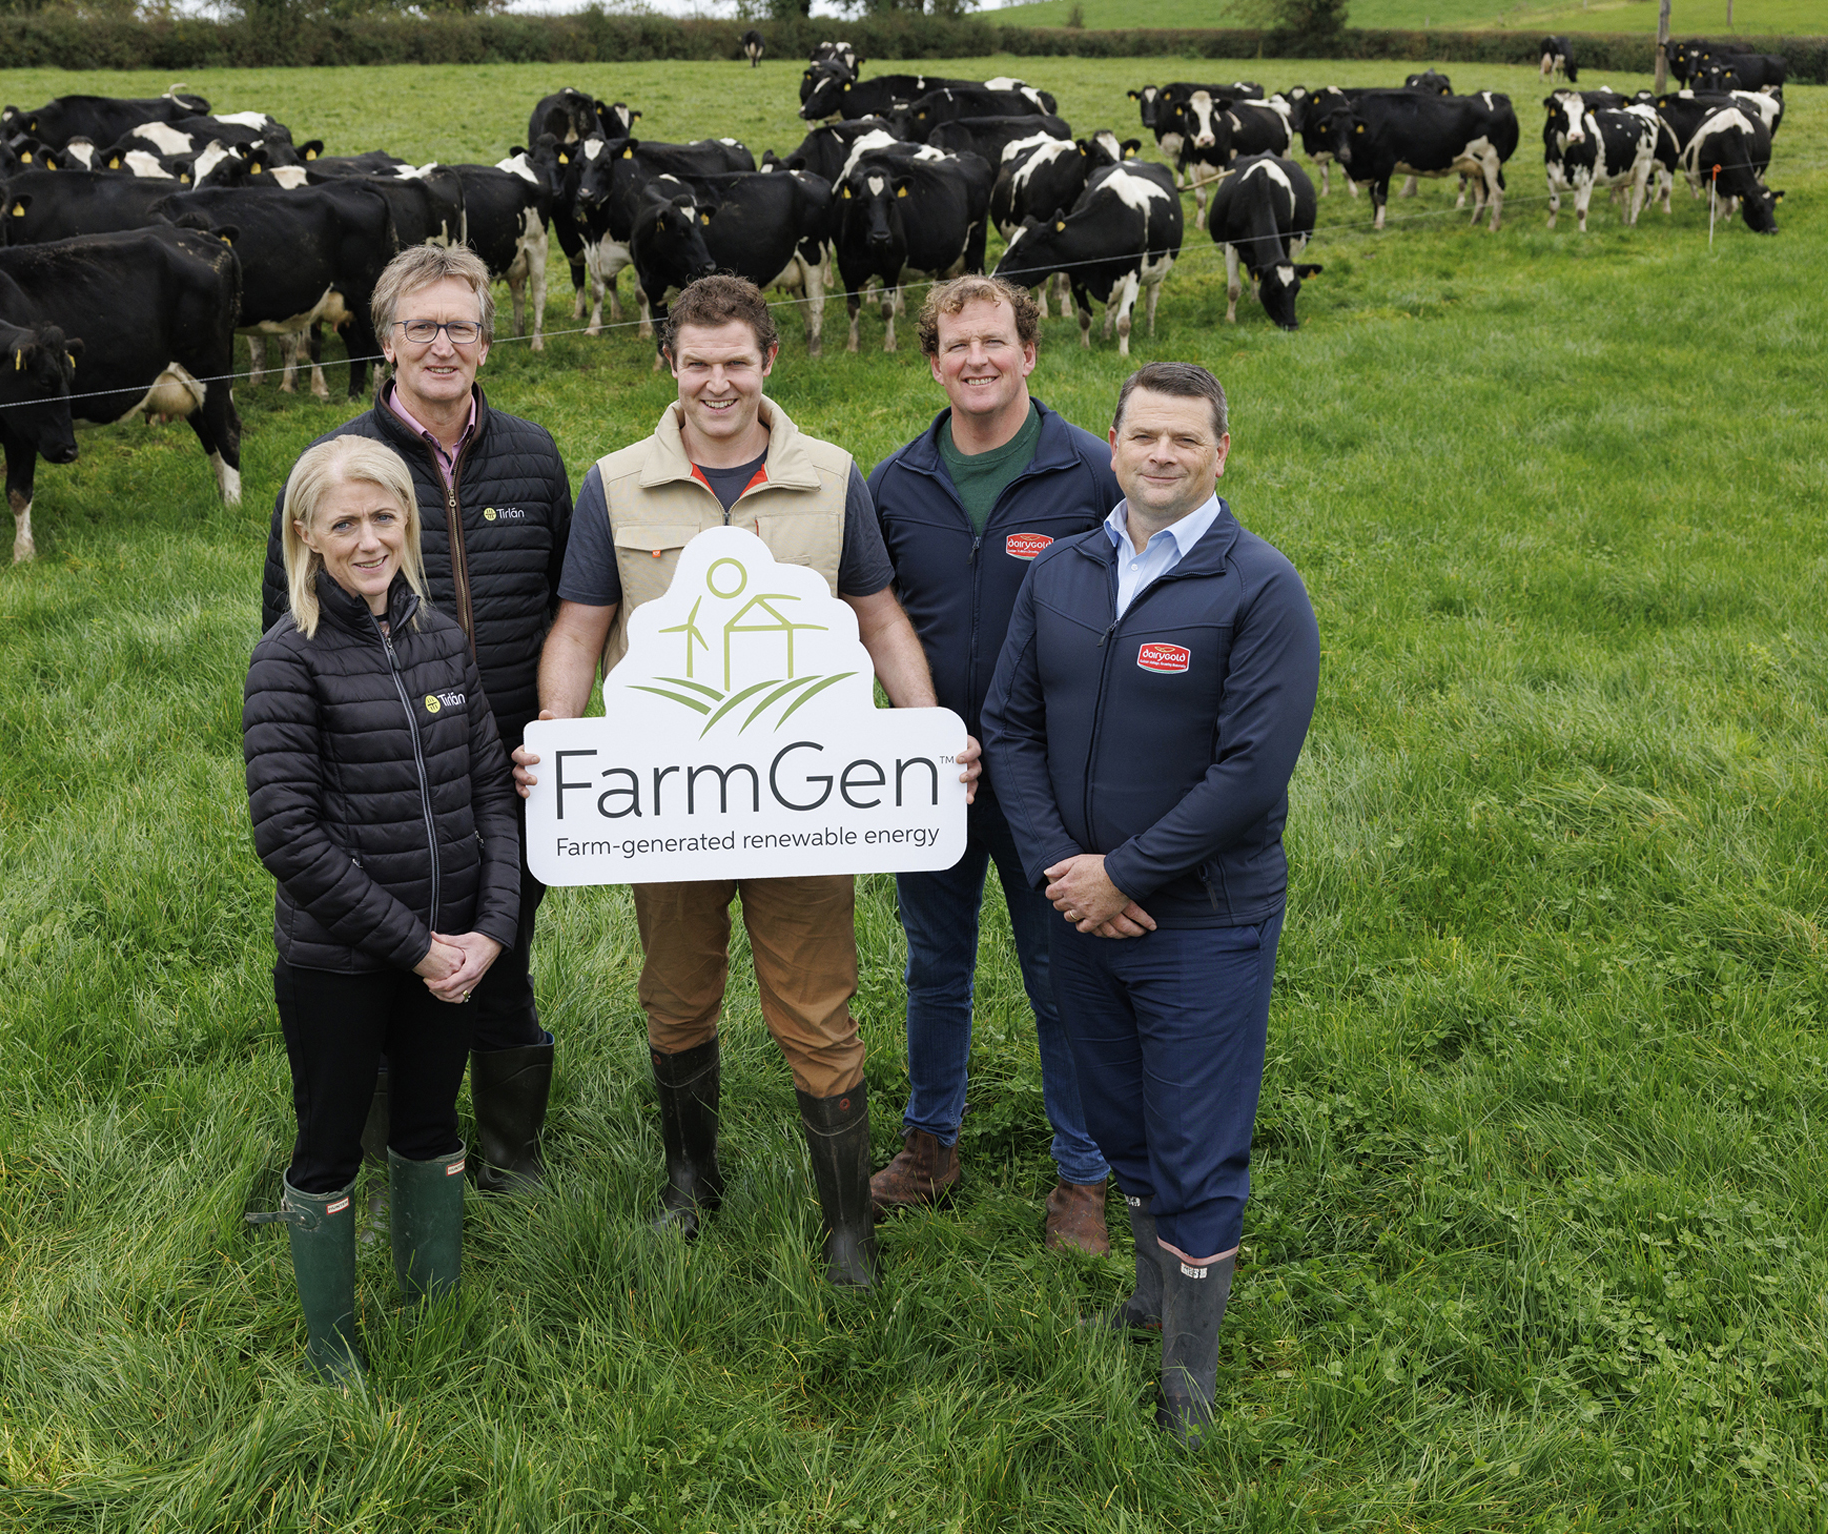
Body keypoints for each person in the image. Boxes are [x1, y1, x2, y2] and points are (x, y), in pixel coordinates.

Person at [513, 275, 971, 1289]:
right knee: (675, 996)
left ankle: (846, 1229)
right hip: (668, 798)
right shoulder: (616, 483)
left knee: (817, 1007)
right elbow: (580, 628)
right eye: (696, 363)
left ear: (769, 360)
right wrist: (558, 738)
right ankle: (690, 1184)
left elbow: (879, 617)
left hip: (802, 796)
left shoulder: (831, 476)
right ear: (668, 365)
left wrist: (927, 734)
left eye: (734, 362)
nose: (715, 382)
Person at [982, 362, 1319, 1446]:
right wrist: (1062, 868)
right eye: (1143, 436)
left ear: (1221, 453)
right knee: (1120, 1117)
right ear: (1114, 444)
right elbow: (1009, 725)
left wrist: (1125, 872)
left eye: (1184, 439)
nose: (1161, 455)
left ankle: (1190, 1376)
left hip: (1201, 918)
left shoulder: (1258, 587)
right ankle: (1147, 1293)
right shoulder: (1064, 570)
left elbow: (1249, 773)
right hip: (1081, 909)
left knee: (1194, 1140)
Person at [262, 245, 572, 1193]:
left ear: (486, 340)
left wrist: (554, 730)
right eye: (422, 326)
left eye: (461, 326)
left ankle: (510, 1153)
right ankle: (380, 1149)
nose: (443, 345)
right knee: (381, 967)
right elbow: (291, 625)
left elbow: (570, 611)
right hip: (375, 782)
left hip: (503, 769)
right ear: (387, 340)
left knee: (501, 957)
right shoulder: (337, 470)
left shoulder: (533, 459)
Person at [243, 434, 521, 1383]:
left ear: (409, 522)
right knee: (328, 1143)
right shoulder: (287, 660)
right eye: (344, 523)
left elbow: (492, 796)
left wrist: (490, 930)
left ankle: (432, 1308)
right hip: (342, 961)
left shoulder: (443, 641)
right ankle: (333, 1346)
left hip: (453, 952)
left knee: (430, 1127)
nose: (368, 540)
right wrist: (416, 947)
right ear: (306, 535)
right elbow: (288, 836)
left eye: (384, 517)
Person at [864, 275, 1122, 1252]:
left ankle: (1084, 1171)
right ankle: (929, 1142)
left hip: (1052, 780)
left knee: (1061, 969)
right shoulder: (893, 485)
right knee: (934, 962)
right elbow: (869, 619)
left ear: (1029, 353)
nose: (975, 359)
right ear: (932, 364)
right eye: (955, 345)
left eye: (993, 341)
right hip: (932, 773)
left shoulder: (1089, 474)